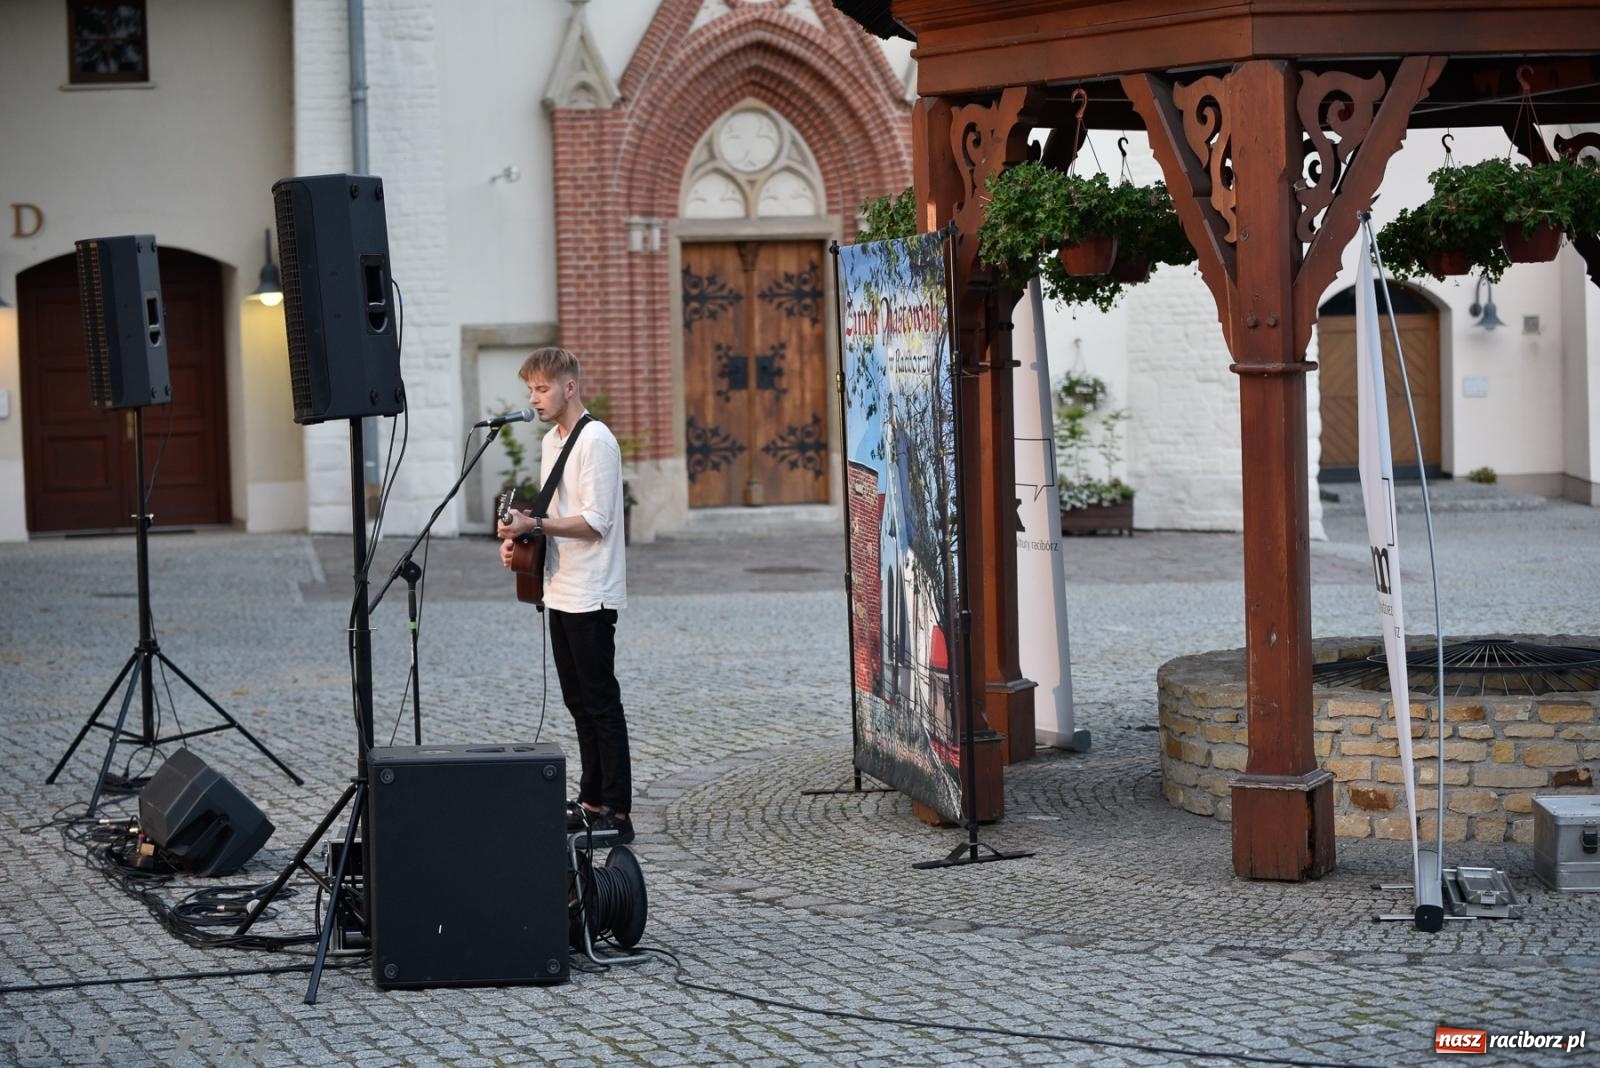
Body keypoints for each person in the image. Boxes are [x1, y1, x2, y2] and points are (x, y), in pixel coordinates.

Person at [496, 347, 633, 845]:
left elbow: (596, 522)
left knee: (600, 702)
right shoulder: (552, 441)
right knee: (578, 701)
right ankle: (592, 798)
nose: (534, 398)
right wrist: (521, 540)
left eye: (542, 388)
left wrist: (536, 523)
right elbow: (552, 513)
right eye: (530, 389)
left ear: (569, 387)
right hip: (559, 586)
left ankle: (617, 810)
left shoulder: (595, 441)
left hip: (591, 590)